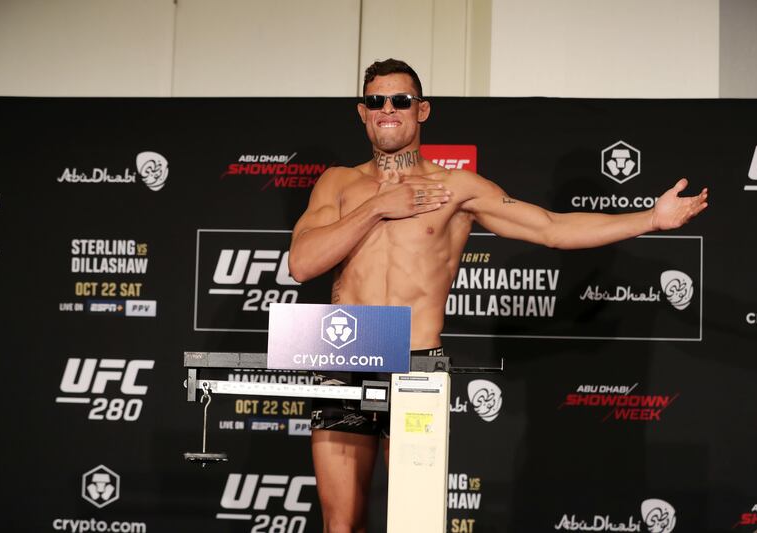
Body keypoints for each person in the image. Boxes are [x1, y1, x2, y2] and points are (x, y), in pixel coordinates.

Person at [288, 58, 708, 533]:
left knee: (414, 523)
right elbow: (302, 263)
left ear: (421, 110)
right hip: (346, 360)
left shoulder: (455, 187)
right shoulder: (337, 183)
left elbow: (550, 228)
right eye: (376, 100)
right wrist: (378, 207)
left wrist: (650, 220)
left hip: (415, 364)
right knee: (340, 525)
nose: (388, 108)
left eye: (400, 100)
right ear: (362, 111)